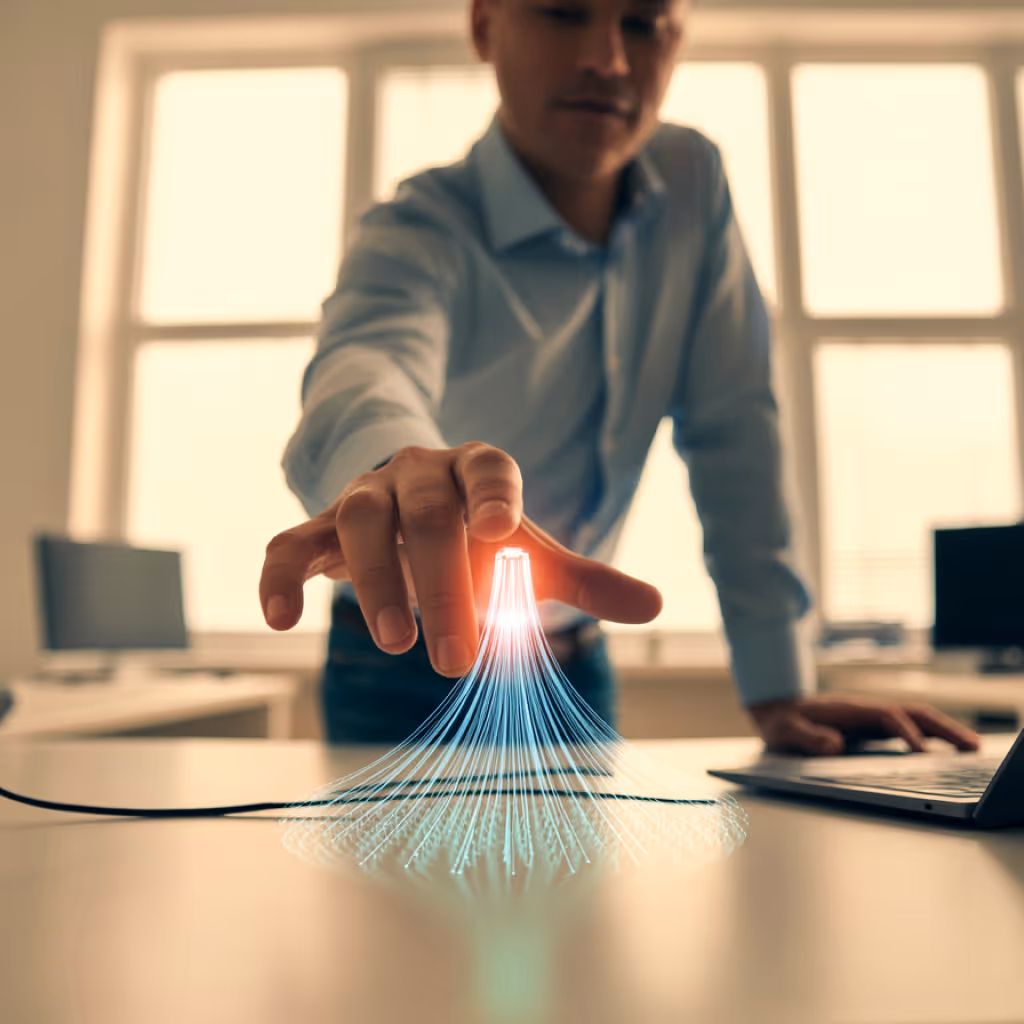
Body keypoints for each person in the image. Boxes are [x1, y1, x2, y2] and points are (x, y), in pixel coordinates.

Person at [260, 0, 979, 756]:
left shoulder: (692, 183)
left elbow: (736, 434)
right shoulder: (416, 228)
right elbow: (364, 367)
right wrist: (393, 468)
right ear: (483, 27)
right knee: (381, 881)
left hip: (577, 662)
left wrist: (781, 687)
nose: (608, 57)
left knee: (591, 879)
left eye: (643, 23)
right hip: (398, 659)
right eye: (565, 12)